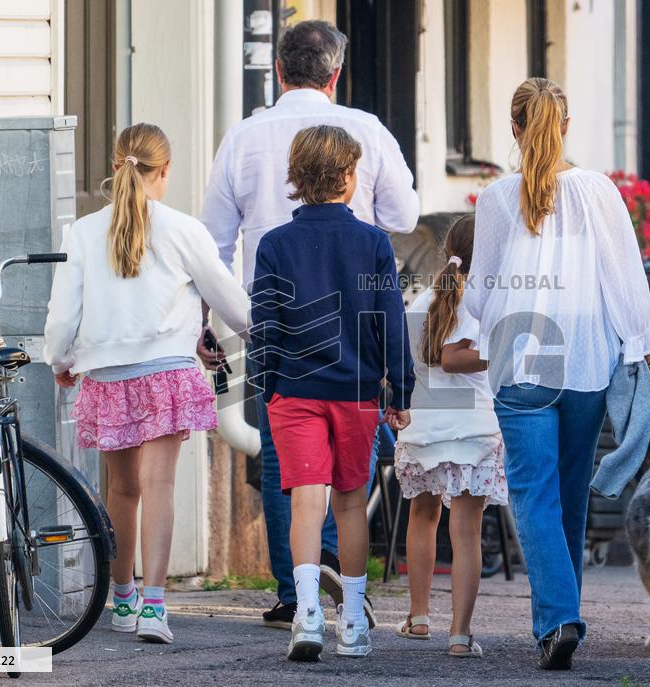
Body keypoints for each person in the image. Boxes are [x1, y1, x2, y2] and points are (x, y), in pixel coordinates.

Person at [200, 19, 419, 630]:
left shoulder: (242, 138)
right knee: (351, 472)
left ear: (278, 69)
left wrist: (210, 323)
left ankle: (295, 591)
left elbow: (213, 243)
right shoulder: (367, 131)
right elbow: (405, 214)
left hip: (269, 320)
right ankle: (338, 582)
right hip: (353, 319)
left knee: (284, 460)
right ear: (337, 73)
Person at [464, 78, 650, 670]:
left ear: (514, 129)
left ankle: (558, 619)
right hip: (586, 359)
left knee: (534, 493)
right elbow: (625, 278)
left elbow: (480, 296)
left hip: (521, 358)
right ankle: (562, 614)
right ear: (566, 126)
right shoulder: (600, 192)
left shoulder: (498, 198)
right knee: (568, 496)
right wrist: (641, 345)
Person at [43, 123, 249, 644]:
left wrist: (60, 358)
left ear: (116, 167)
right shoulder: (183, 228)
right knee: (159, 486)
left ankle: (122, 598)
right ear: (165, 171)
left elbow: (64, 309)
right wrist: (262, 330)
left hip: (109, 374)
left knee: (123, 489)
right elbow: (228, 299)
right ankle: (155, 606)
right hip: (167, 371)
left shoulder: (84, 231)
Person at [250, 125, 414, 661]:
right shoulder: (373, 243)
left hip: (293, 389)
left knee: (305, 501)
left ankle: (307, 615)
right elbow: (391, 322)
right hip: (357, 392)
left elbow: (265, 326)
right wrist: (401, 389)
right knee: (348, 504)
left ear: (296, 178)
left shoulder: (274, 245)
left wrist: (267, 387)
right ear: (349, 178)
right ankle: (354, 623)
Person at [392, 215, 507, 658]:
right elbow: (452, 358)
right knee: (466, 532)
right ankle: (459, 634)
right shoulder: (482, 302)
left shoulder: (421, 300)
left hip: (424, 427)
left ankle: (418, 617)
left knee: (422, 517)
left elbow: (410, 363)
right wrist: (502, 351)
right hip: (472, 428)